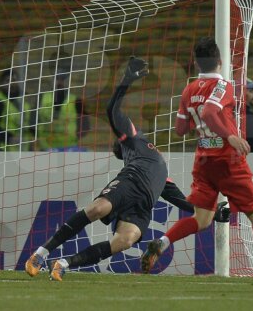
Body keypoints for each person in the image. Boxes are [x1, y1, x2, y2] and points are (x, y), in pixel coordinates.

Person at [25, 57, 229, 281]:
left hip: (143, 205)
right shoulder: (133, 142)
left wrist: (213, 210)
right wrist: (127, 79)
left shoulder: (160, 174)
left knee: (125, 240)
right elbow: (112, 110)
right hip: (130, 182)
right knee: (97, 209)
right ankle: (40, 254)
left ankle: (64, 263)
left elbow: (183, 202)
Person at [141, 37, 253, 281]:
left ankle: (163, 242)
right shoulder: (223, 86)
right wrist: (229, 136)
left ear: (197, 64)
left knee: (202, 219)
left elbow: (180, 128)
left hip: (203, 162)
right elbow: (210, 111)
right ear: (220, 61)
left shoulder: (189, 89)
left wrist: (199, 124)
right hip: (227, 161)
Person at [36, 56, 90, 151]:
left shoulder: (76, 101)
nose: (60, 81)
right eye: (57, 78)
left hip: (69, 147)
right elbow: (32, 121)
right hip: (46, 147)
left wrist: (74, 137)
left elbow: (85, 125)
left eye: (63, 78)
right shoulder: (41, 98)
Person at [0, 69, 33, 151]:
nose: (11, 84)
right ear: (2, 84)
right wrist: (10, 138)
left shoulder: (25, 100)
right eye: (7, 81)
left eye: (14, 80)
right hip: (0, 148)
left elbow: (30, 124)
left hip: (22, 149)